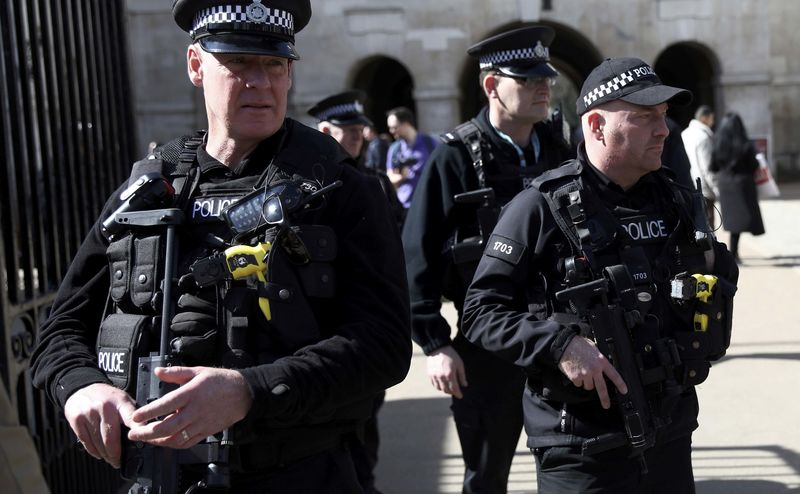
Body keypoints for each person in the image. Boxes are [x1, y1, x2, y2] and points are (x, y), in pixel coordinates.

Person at [30, 1, 411, 492]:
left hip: (301, 474)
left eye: (274, 64)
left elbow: (384, 345)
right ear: (195, 65)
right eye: (238, 63)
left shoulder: (338, 187)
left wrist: (248, 392)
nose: (260, 82)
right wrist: (80, 387)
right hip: (161, 475)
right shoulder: (149, 188)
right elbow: (59, 330)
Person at [462, 57, 738, 493]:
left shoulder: (677, 202)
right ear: (596, 126)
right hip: (581, 449)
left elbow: (713, 283)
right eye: (644, 117)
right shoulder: (539, 208)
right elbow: (480, 313)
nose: (663, 130)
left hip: (669, 435)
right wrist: (561, 345)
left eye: (664, 116)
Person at [402, 26, 574, 494]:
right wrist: (435, 344)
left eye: (546, 79)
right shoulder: (453, 157)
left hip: (558, 334)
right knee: (487, 471)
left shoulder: (560, 150)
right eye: (528, 79)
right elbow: (417, 255)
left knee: (571, 466)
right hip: (487, 341)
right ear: (491, 86)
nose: (544, 88)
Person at [307, 89, 402, 493]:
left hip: (367, 318)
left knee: (367, 415)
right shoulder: (308, 183)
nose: (357, 138)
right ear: (325, 130)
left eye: (360, 130)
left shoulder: (375, 182)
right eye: (348, 131)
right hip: (323, 323)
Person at [712, 111, 765, 264]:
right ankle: (734, 253)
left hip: (725, 184)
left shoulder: (718, 143)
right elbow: (754, 165)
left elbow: (713, 166)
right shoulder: (745, 144)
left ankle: (733, 253)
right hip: (742, 184)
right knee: (741, 220)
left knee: (733, 221)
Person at [385, 107, 437, 208]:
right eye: (390, 127)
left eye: (395, 127)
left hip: (430, 202)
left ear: (406, 124)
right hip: (406, 204)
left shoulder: (429, 143)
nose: (391, 131)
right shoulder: (394, 149)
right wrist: (402, 177)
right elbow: (389, 177)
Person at [682, 105, 718, 227]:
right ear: (704, 119)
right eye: (711, 118)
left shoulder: (684, 133)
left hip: (688, 185)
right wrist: (716, 188)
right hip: (704, 188)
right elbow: (707, 167)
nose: (713, 122)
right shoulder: (703, 137)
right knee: (708, 230)